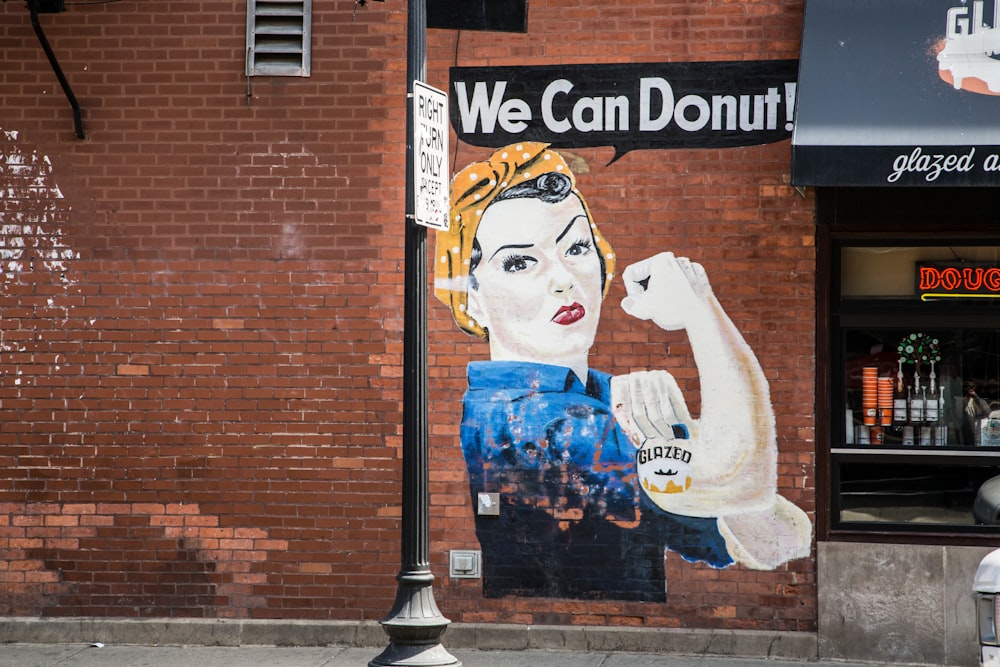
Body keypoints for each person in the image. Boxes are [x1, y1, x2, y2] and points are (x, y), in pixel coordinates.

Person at [434, 142, 810, 600]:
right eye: (518, 262)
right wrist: (700, 311)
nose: (563, 278)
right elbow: (735, 474)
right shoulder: (517, 420)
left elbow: (777, 539)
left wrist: (720, 482)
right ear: (472, 298)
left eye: (575, 246)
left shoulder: (609, 395)